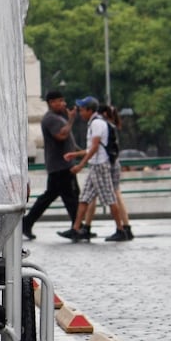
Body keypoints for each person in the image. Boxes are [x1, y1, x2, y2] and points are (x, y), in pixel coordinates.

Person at [56, 96, 129, 243]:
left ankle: (120, 230)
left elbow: (95, 148)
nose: (80, 113)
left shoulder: (96, 124)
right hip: (95, 165)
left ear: (90, 110)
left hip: (100, 165)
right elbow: (92, 148)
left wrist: (80, 165)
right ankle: (76, 229)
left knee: (109, 198)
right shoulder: (95, 123)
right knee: (84, 198)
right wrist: (75, 154)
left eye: (82, 110)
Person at [22, 90, 80, 239]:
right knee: (70, 197)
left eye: (63, 100)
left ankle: (27, 223)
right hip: (60, 166)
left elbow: (68, 140)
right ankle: (77, 227)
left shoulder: (59, 117)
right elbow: (61, 136)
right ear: (51, 103)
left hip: (62, 165)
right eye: (59, 101)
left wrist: (82, 152)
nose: (63, 103)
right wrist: (71, 120)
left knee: (57, 196)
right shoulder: (50, 119)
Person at [81, 105, 133, 240]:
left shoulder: (101, 125)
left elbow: (95, 146)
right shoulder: (112, 125)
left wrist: (81, 162)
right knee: (114, 193)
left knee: (106, 196)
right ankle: (126, 227)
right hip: (113, 162)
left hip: (103, 163)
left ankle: (88, 226)